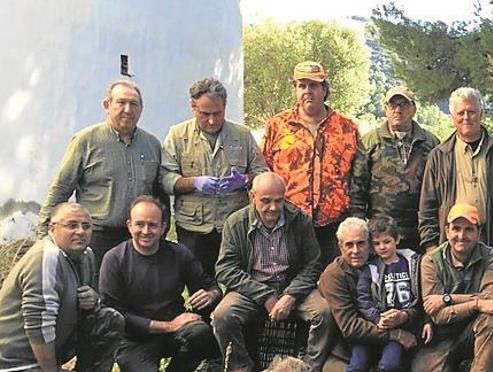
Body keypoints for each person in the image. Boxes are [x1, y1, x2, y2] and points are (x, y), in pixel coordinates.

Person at [0, 203, 123, 372]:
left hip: (49, 350)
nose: (80, 231)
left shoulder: (86, 255)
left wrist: (93, 300)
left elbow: (78, 306)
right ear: (52, 227)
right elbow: (38, 323)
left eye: (86, 226)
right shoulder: (47, 259)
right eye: (71, 225)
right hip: (14, 365)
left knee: (109, 318)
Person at [99, 196, 222, 372]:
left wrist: (210, 295)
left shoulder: (179, 253)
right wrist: (168, 326)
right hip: (134, 338)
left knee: (201, 333)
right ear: (129, 225)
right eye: (140, 224)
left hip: (174, 333)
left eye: (152, 225)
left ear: (164, 226)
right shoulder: (114, 259)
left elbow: (212, 286)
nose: (146, 231)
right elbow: (113, 313)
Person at [38, 80, 167, 272]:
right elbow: (61, 188)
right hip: (97, 237)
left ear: (141, 109)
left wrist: (161, 235)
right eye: (121, 102)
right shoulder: (85, 141)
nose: (127, 109)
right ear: (107, 105)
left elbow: (159, 193)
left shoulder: (152, 144)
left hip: (138, 237)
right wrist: (43, 238)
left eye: (133, 104)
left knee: (137, 295)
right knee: (96, 294)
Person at [212, 172, 334, 372]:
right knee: (223, 315)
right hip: (252, 288)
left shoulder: (300, 220)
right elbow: (226, 269)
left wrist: (291, 295)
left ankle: (309, 371)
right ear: (252, 197)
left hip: (291, 285)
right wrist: (264, 295)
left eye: (279, 201)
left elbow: (313, 264)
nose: (273, 208)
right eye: (266, 201)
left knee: (324, 312)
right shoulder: (235, 223)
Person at [160, 77, 268, 278]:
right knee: (199, 283)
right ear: (193, 107)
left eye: (217, 114)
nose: (211, 120)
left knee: (238, 279)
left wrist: (245, 180)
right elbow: (165, 177)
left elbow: (263, 173)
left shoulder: (242, 135)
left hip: (234, 224)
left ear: (225, 107)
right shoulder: (177, 135)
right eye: (205, 114)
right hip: (193, 227)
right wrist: (194, 183)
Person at [261, 61, 363, 267]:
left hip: (333, 225)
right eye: (301, 85)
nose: (307, 91)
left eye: (313, 85)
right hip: (288, 222)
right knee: (290, 286)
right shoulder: (277, 126)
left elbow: (358, 177)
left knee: (332, 286)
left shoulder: (346, 127)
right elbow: (263, 172)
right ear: (295, 89)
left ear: (324, 89)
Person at [409, 203, 493, 372]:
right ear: (446, 231)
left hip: (476, 330)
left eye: (469, 229)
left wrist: (447, 299)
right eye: (456, 228)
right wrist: (478, 303)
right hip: (442, 335)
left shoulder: (491, 256)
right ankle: (459, 370)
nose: (461, 236)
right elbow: (436, 314)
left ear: (478, 233)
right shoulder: (430, 261)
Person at [419, 87, 493, 256]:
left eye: (471, 112)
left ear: (481, 114)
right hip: (451, 246)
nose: (466, 117)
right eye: (461, 113)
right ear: (452, 117)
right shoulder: (439, 156)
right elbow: (427, 207)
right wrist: (431, 247)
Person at [319, 217, 418, 372]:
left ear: (369, 244)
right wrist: (394, 334)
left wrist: (403, 316)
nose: (355, 251)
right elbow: (350, 327)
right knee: (357, 365)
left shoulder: (382, 260)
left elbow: (412, 297)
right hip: (357, 339)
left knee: (394, 364)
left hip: (390, 329)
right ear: (340, 246)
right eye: (349, 245)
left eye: (361, 244)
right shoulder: (333, 276)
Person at [351, 85, 440, 251]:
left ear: (413, 109)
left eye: (403, 104)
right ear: (385, 109)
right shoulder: (370, 142)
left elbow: (439, 190)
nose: (398, 110)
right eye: (393, 105)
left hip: (419, 235)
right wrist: (360, 228)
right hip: (379, 236)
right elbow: (357, 189)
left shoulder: (431, 143)